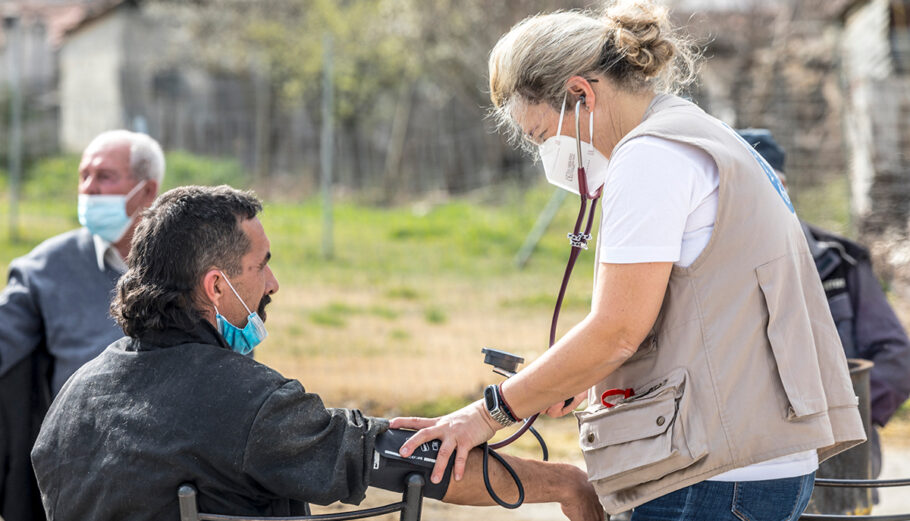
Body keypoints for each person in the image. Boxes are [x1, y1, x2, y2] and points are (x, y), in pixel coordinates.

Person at [391, 2, 866, 520]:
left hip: (712, 477)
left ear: (580, 94)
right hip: (762, 459)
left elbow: (617, 330)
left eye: (541, 135)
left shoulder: (649, 157)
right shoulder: (703, 133)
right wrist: (568, 376)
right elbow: (690, 313)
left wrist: (487, 414)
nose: (548, 154)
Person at [29, 185, 601, 521]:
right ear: (216, 287)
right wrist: (565, 483)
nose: (273, 283)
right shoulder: (246, 404)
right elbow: (412, 461)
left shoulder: (72, 402)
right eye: (261, 265)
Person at [0, 130, 163, 521]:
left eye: (105, 177)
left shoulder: (187, 270)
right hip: (76, 466)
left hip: (169, 462)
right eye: (84, 176)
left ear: (147, 190)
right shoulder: (45, 268)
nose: (89, 189)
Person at [738, 128, 910, 478]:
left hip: (839, 466)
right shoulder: (706, 267)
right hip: (751, 465)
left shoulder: (839, 261)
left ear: (782, 187)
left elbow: (897, 357)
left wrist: (837, 419)